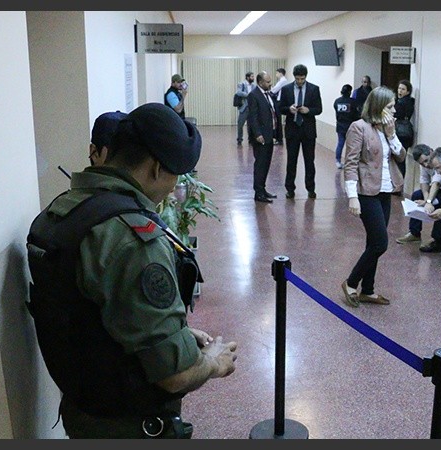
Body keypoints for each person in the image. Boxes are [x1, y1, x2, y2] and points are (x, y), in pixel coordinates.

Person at [26, 102, 238, 438]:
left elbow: (97, 315)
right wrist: (212, 361)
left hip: (83, 411)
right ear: (155, 168)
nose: (173, 187)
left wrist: (176, 336)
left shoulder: (62, 212)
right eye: (175, 176)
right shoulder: (132, 238)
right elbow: (176, 375)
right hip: (131, 425)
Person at [341, 86, 406, 307]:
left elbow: (401, 155)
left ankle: (367, 290)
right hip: (366, 191)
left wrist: (391, 134)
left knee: (373, 241)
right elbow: (350, 163)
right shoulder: (359, 128)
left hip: (385, 191)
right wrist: (352, 197)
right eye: (390, 107)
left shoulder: (388, 128)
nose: (394, 111)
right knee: (380, 243)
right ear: (378, 107)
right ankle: (350, 283)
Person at [395, 144, 441, 250]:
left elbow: (436, 182)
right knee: (417, 195)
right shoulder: (424, 165)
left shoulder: (438, 160)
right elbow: (424, 181)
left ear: (431, 152)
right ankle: (414, 233)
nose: (425, 165)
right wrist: (426, 199)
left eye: (426, 161)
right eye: (422, 163)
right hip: (438, 190)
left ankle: (438, 241)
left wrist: (429, 201)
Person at [278, 64, 323, 199]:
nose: (300, 82)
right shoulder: (286, 89)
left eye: (302, 79)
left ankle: (311, 188)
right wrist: (289, 109)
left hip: (308, 130)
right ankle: (290, 189)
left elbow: (319, 109)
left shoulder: (314, 89)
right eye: (297, 79)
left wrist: (308, 110)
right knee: (291, 161)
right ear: (294, 77)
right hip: (292, 130)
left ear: (305, 77)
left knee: (310, 161)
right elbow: (280, 108)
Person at [247, 71, 278, 203]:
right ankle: (258, 192)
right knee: (260, 164)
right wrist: (257, 134)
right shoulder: (254, 95)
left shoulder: (267, 94)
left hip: (269, 135)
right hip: (261, 137)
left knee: (266, 164)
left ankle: (263, 189)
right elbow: (252, 117)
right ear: (260, 82)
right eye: (267, 82)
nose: (270, 84)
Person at [333, 83, 360, 169]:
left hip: (340, 126)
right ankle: (349, 162)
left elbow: (336, 112)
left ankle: (338, 161)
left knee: (340, 143)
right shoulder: (353, 102)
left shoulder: (337, 101)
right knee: (351, 145)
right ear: (349, 92)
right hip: (350, 126)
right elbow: (356, 114)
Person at [393, 80, 415, 179]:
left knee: (399, 160)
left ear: (408, 91)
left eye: (403, 89)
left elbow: (396, 114)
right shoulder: (407, 102)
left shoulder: (401, 103)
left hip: (401, 134)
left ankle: (399, 182)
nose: (400, 91)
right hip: (405, 133)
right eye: (399, 88)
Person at [269, 68, 290, 145]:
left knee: (277, 120)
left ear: (280, 73)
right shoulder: (283, 81)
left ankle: (279, 138)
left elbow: (274, 90)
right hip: (278, 101)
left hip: (278, 102)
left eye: (277, 73)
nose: (276, 75)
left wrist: (270, 87)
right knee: (277, 120)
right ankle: (278, 138)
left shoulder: (283, 81)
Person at [235, 71, 256, 145]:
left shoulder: (254, 86)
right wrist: (248, 95)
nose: (253, 78)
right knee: (240, 124)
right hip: (244, 107)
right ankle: (239, 139)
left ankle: (251, 139)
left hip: (252, 107)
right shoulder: (242, 84)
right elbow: (238, 92)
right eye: (252, 76)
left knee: (251, 125)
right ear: (248, 77)